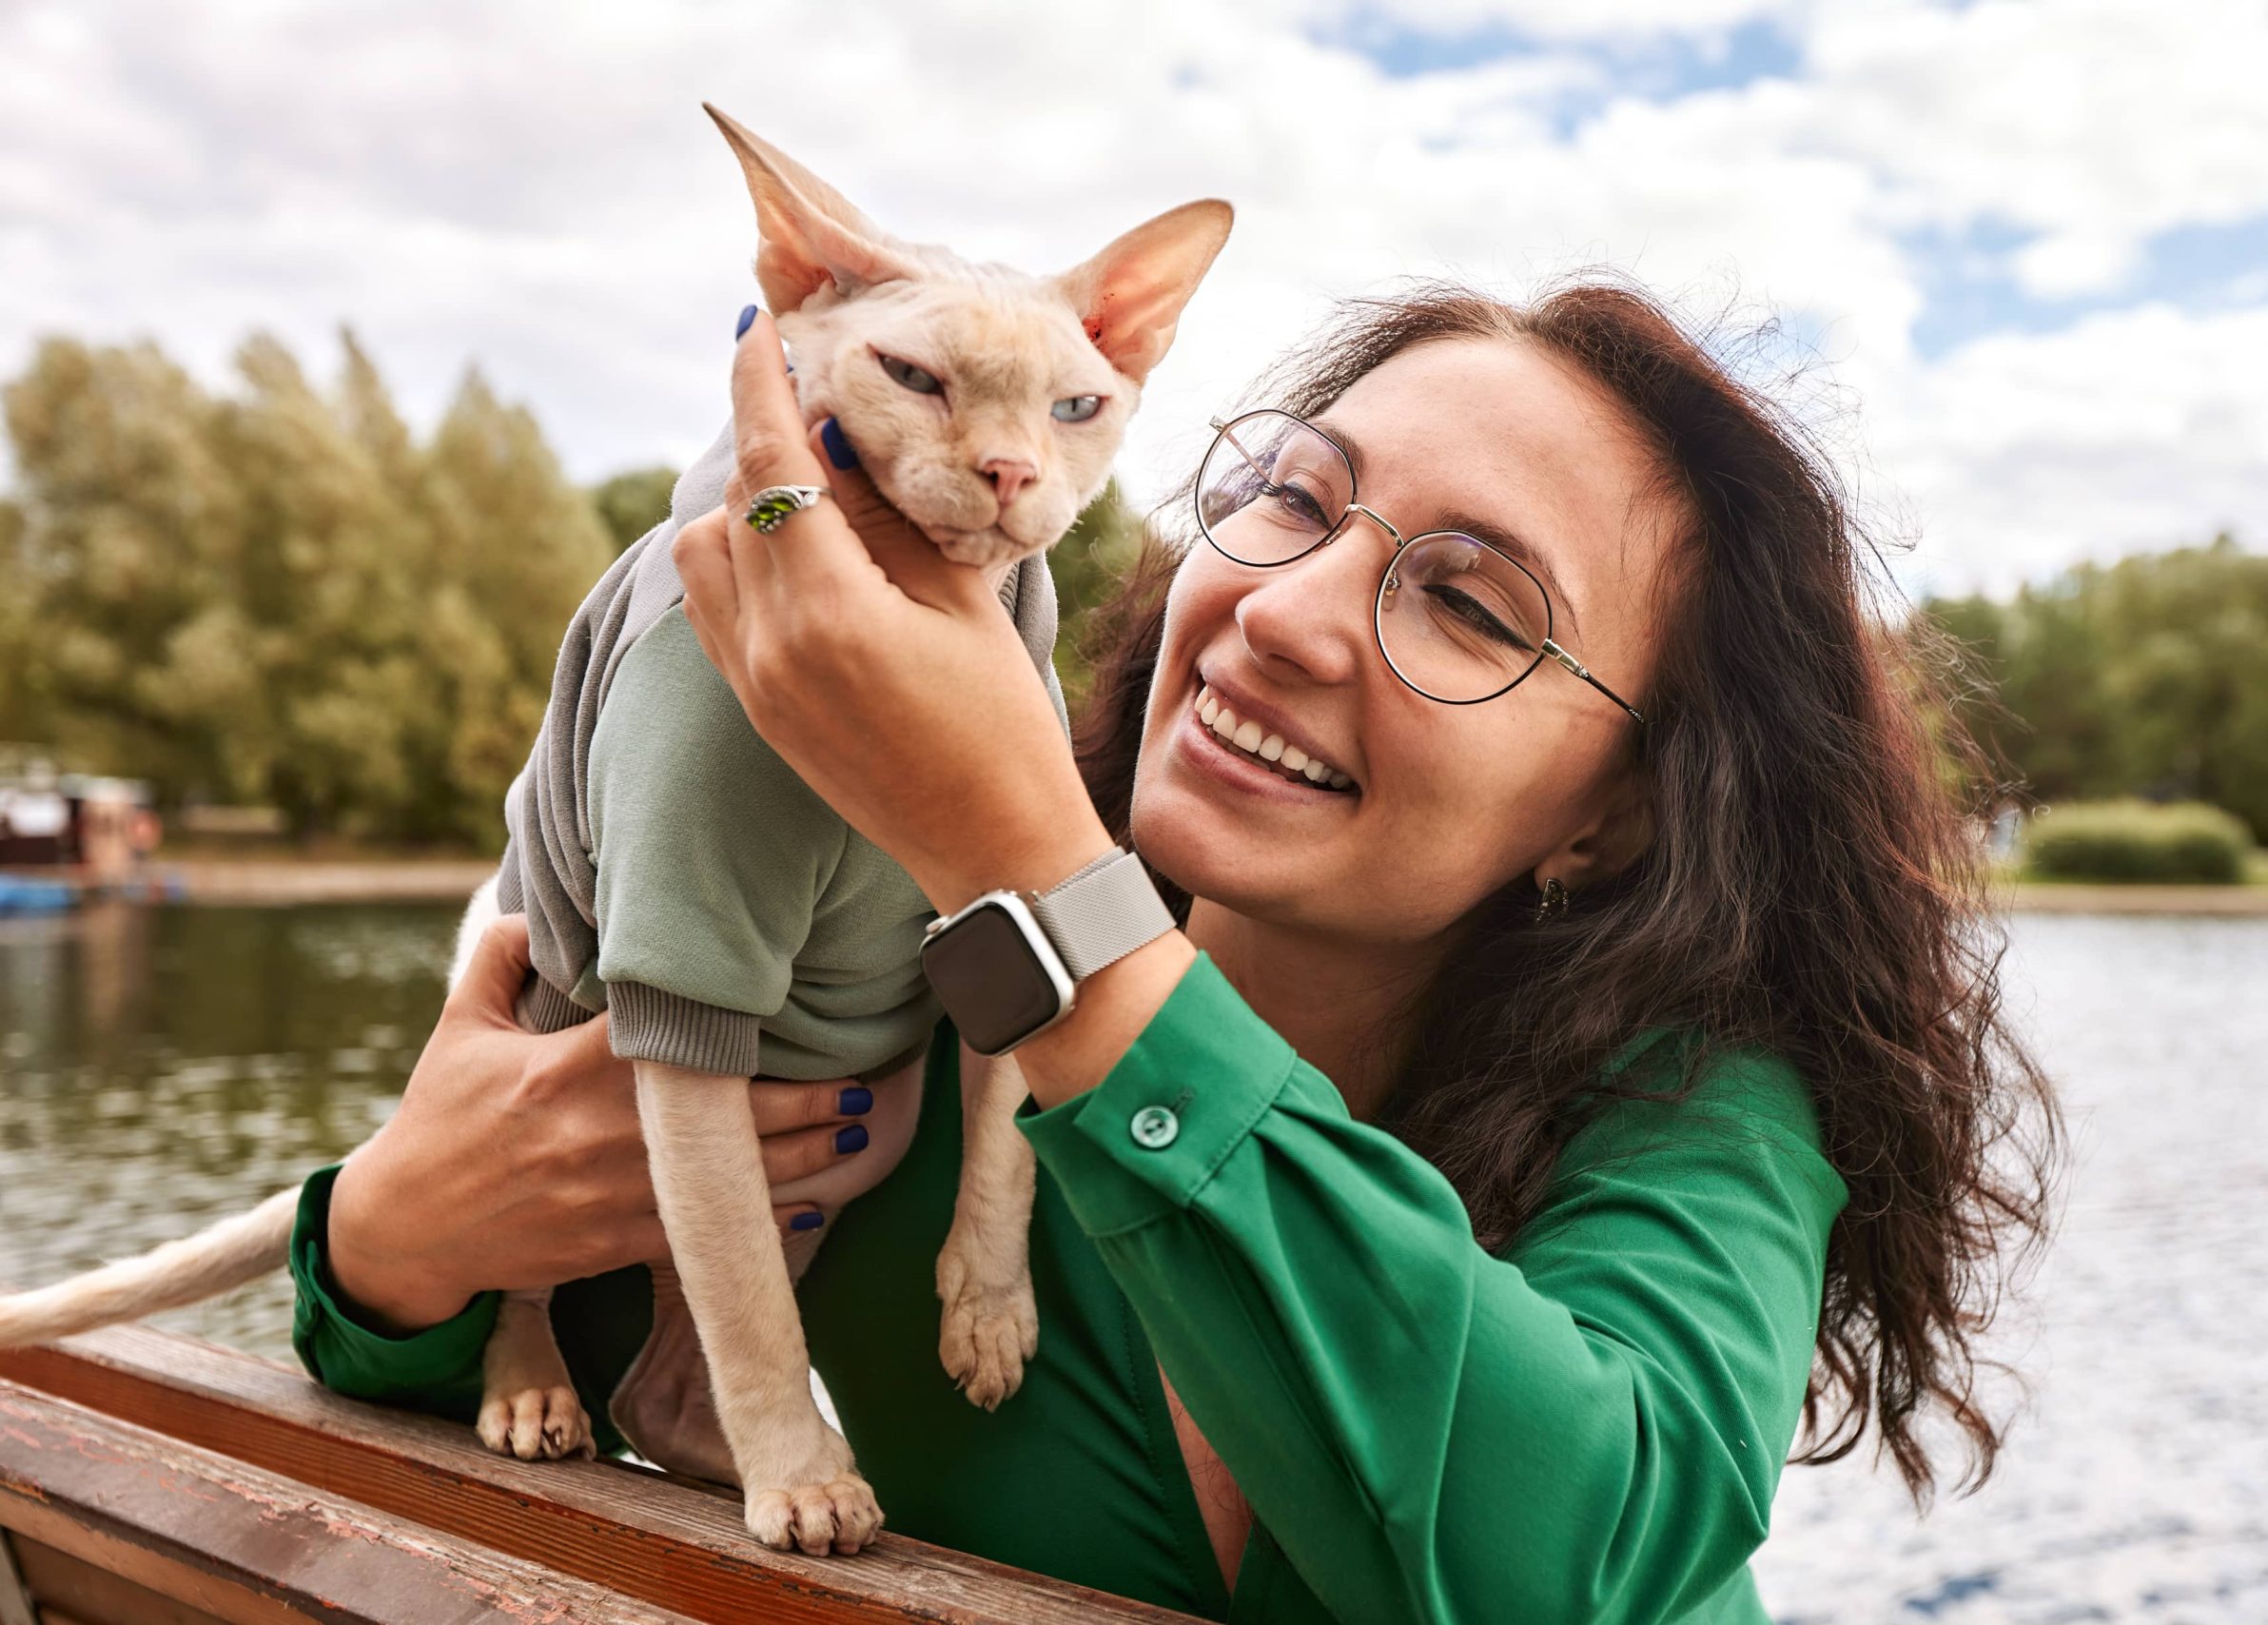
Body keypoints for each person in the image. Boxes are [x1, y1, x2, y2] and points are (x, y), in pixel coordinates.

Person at [292, 278, 2060, 1623]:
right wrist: (393, 1252)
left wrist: (1036, 878)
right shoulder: (903, 1010)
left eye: (1465, 599)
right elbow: (519, 1375)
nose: (1279, 611)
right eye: (1291, 500)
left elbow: (1571, 1562)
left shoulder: (1699, 1109)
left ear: (1613, 814)